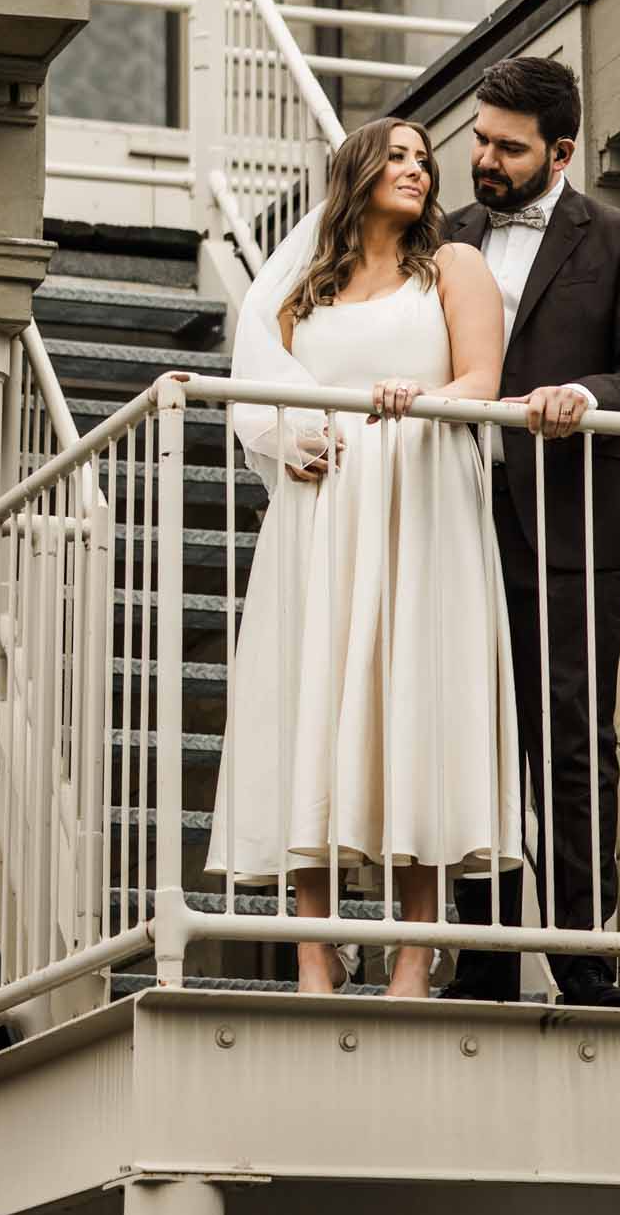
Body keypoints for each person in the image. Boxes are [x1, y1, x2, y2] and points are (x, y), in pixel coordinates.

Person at [206, 117, 522, 999]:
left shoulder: (454, 266)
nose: (418, 169)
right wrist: (286, 438)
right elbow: (255, 386)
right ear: (356, 171)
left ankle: (414, 959)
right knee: (312, 705)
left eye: (426, 159)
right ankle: (315, 955)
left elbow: (482, 383)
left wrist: (418, 397)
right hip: (321, 514)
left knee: (411, 706)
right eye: (398, 156)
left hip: (418, 503)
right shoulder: (304, 282)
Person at [441, 57, 620, 1008]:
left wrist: (582, 396)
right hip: (450, 515)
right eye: (479, 139)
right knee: (471, 735)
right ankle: (484, 960)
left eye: (508, 147)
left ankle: (586, 966)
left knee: (572, 740)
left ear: (561, 151)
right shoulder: (443, 236)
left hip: (570, 522)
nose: (485, 160)